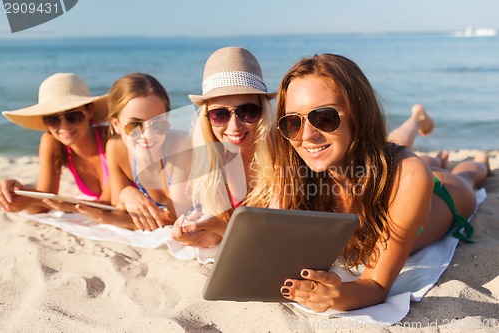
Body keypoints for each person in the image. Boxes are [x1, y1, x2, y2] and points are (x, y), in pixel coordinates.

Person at [257, 53, 490, 311]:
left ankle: (480, 160)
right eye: (292, 123)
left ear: (359, 112)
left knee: (466, 176)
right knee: (391, 150)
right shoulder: (294, 170)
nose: (308, 135)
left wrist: (337, 296)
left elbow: (377, 286)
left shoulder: (409, 176)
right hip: (382, 167)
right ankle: (417, 120)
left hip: (440, 196)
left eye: (324, 118)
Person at [171, 47, 277, 247]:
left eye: (247, 111)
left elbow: (270, 240)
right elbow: (225, 232)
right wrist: (196, 235)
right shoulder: (211, 160)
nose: (234, 126)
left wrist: (217, 226)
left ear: (263, 111)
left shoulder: (280, 157)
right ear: (207, 118)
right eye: (220, 114)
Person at [80, 72, 192, 231]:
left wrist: (104, 218)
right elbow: (118, 207)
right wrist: (126, 192)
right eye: (134, 125)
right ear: (116, 124)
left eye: (158, 124)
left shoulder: (181, 146)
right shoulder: (116, 148)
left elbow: (176, 220)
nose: (147, 134)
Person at [0, 73, 110, 214]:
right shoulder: (52, 141)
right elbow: (43, 203)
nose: (64, 126)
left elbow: (112, 206)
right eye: (52, 119)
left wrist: (63, 205)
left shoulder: (111, 141)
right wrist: (16, 194)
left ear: (89, 110)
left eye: (72, 116)